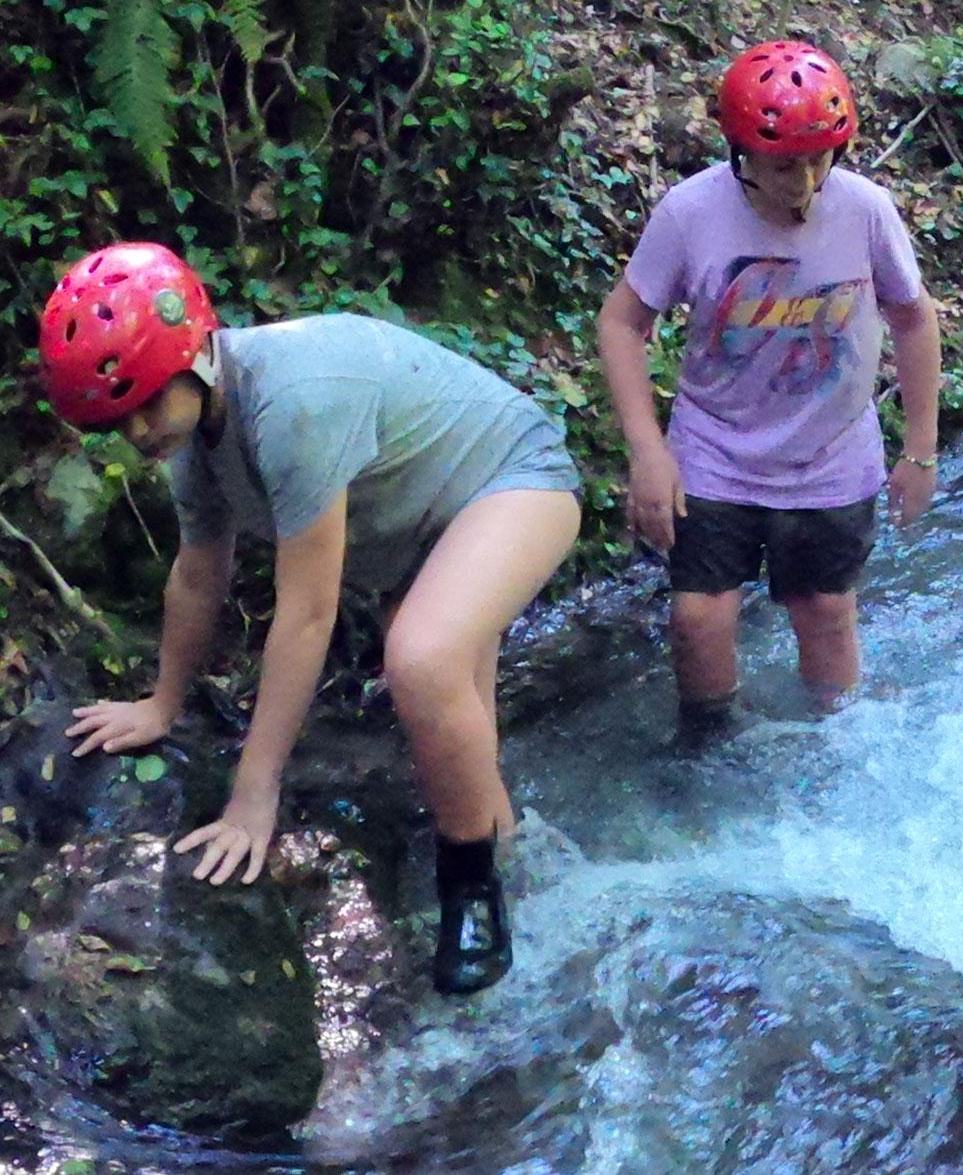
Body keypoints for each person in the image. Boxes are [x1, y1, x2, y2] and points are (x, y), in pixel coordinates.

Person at [54, 243, 582, 995]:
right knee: (460, 752)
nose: (137, 432)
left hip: (512, 482)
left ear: (194, 354)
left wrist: (254, 792)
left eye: (145, 403)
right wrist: (161, 704)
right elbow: (200, 575)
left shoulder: (290, 404)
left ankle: (471, 890)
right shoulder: (194, 441)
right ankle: (544, 916)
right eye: (117, 419)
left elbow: (307, 615)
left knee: (423, 661)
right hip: (425, 531)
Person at [596, 40, 942, 735]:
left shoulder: (867, 211)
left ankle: (833, 749)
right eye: (786, 165)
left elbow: (913, 318)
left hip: (831, 457)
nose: (807, 183)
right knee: (697, 619)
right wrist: (647, 452)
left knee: (825, 614)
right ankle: (710, 749)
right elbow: (620, 324)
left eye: (821, 159)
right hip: (715, 451)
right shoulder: (690, 212)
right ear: (742, 155)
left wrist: (921, 449)